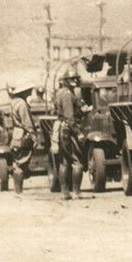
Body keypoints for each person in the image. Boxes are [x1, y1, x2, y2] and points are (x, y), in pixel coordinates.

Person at [50, 72, 88, 200]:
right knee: (78, 162)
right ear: (66, 81)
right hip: (68, 129)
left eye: (76, 78)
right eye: (71, 79)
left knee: (64, 162)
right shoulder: (66, 94)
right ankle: (76, 192)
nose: (74, 81)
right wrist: (79, 133)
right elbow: (69, 117)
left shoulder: (62, 93)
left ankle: (65, 192)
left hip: (62, 128)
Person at [4, 83, 38, 194]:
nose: (30, 93)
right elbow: (27, 122)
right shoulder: (22, 104)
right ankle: (19, 192)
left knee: (17, 163)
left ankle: (18, 192)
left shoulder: (13, 103)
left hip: (16, 135)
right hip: (23, 135)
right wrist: (34, 136)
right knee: (21, 164)